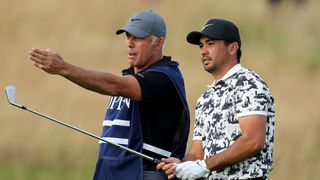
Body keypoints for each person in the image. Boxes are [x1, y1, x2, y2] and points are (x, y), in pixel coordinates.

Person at [28, 10, 190, 180]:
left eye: (138, 37)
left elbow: (115, 86)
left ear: (159, 43)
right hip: (112, 172)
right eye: (128, 36)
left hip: (144, 173)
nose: (130, 43)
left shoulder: (164, 77)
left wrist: (64, 68)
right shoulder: (130, 77)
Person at [157, 18, 275, 180]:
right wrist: (182, 164)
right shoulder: (205, 98)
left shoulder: (248, 83)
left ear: (232, 48)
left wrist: (204, 166)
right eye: (201, 45)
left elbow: (253, 141)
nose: (203, 51)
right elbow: (197, 153)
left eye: (210, 44)